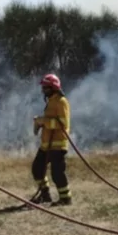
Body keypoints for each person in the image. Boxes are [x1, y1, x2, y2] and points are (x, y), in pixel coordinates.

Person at [29, 73, 73, 206]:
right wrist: (41, 122)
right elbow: (51, 120)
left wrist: (43, 121)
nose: (43, 90)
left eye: (46, 87)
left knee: (57, 173)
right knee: (37, 169)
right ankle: (45, 194)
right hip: (46, 144)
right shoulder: (52, 101)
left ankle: (66, 198)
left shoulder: (61, 101)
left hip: (58, 145)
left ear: (53, 88)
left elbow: (63, 124)